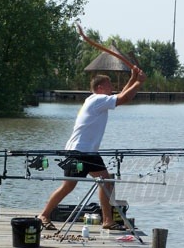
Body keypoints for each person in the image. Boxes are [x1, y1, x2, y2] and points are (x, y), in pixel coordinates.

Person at [38, 65, 146, 230]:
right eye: (109, 85)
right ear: (100, 87)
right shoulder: (97, 99)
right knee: (89, 183)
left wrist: (132, 78)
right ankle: (45, 214)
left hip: (83, 151)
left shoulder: (97, 100)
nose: (112, 88)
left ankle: (106, 220)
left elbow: (121, 95)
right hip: (81, 151)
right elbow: (124, 98)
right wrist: (139, 82)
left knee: (98, 181)